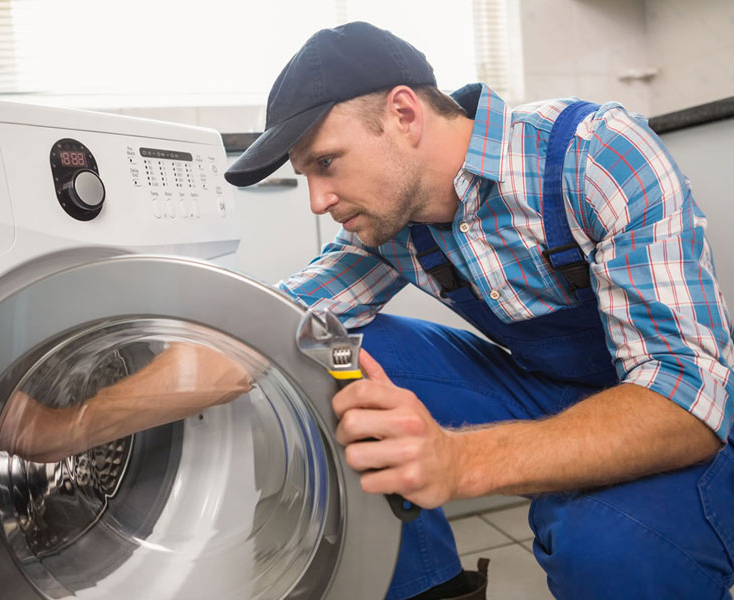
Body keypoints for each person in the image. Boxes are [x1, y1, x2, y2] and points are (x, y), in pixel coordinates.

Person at [224, 21, 734, 600]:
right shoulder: (393, 219)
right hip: (545, 390)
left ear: (404, 116)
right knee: (328, 355)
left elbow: (690, 396)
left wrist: (460, 461)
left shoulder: (595, 153)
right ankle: (433, 590)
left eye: (326, 163)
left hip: (669, 409)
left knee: (610, 550)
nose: (318, 199)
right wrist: (102, 405)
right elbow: (272, 327)